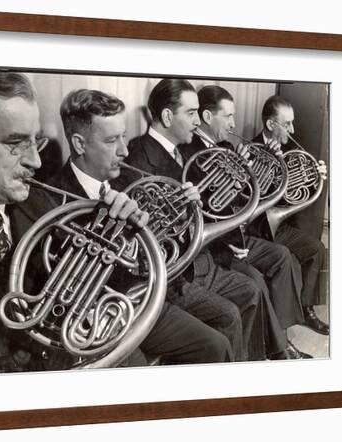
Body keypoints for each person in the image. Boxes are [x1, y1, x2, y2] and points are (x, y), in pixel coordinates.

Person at [0, 70, 232, 372]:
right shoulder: (45, 205)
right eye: (16, 143)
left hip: (124, 304)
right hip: (73, 338)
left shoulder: (116, 185)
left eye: (37, 143)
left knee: (217, 340)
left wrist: (139, 231)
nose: (35, 161)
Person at [48, 87, 234, 365]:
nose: (124, 150)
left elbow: (149, 256)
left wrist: (182, 212)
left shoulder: (120, 181)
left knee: (215, 345)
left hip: (141, 299)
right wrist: (110, 232)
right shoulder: (52, 198)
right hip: (98, 318)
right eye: (112, 140)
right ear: (79, 144)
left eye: (123, 137)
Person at [112, 79, 280, 361]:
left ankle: (249, 364)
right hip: (176, 274)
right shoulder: (139, 158)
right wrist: (183, 207)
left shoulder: (184, 151)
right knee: (229, 313)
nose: (196, 121)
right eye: (190, 113)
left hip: (200, 259)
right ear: (167, 116)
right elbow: (149, 235)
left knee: (250, 291)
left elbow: (215, 203)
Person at [183, 84, 314, 358]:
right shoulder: (190, 153)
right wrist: (231, 241)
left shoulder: (227, 146)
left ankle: (283, 335)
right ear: (208, 118)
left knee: (281, 256)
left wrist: (250, 172)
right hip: (221, 245)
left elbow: (242, 198)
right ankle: (273, 350)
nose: (234, 123)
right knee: (255, 282)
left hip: (238, 237)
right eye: (228, 116)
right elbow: (208, 209)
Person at [251, 95, 329, 335]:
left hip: (279, 226)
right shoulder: (250, 150)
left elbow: (296, 196)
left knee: (317, 249)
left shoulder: (292, 150)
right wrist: (266, 163)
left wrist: (316, 177)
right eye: (287, 124)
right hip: (257, 228)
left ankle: (307, 309)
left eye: (292, 123)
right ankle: (280, 334)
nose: (293, 129)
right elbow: (248, 198)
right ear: (271, 124)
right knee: (288, 259)